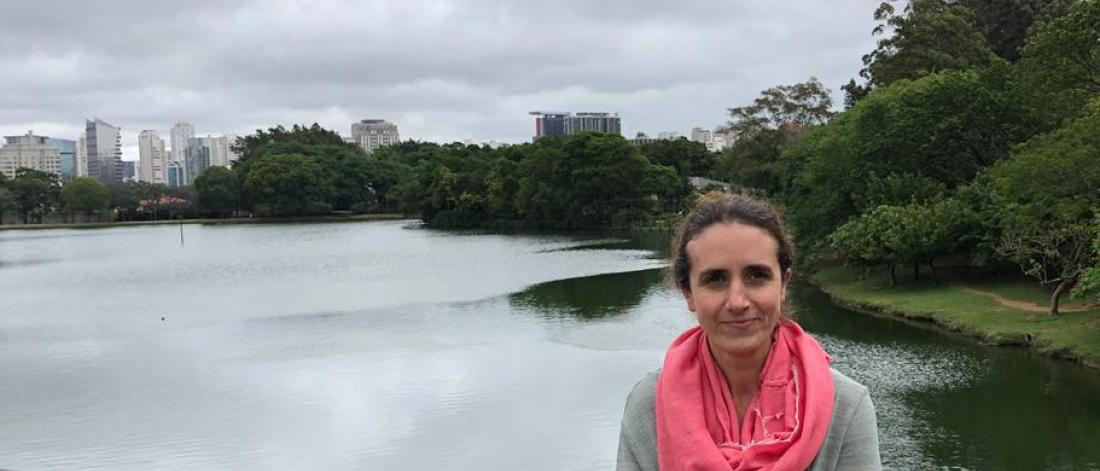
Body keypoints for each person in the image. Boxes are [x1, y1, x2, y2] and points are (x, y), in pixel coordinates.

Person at [616, 192, 881, 471]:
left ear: (783, 284)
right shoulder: (649, 408)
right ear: (688, 292)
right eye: (715, 279)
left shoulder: (844, 407)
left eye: (757, 276)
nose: (738, 302)